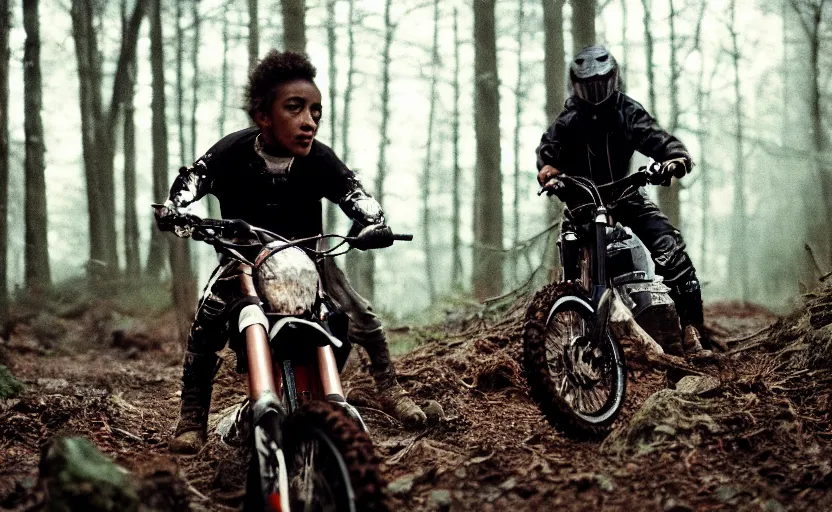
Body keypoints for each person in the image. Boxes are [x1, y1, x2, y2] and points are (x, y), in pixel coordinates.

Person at [156, 50, 427, 454]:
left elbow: (356, 194)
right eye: (295, 108)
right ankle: (192, 414)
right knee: (208, 319)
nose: (309, 122)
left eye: (316, 111)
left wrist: (374, 223)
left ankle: (388, 387)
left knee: (359, 314)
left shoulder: (319, 158)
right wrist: (176, 210)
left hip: (309, 256)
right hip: (243, 256)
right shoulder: (231, 151)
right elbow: (191, 181)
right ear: (264, 115)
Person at [536, 45, 710, 349]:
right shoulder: (567, 121)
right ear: (574, 86)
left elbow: (658, 139)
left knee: (670, 248)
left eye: (600, 83)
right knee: (569, 268)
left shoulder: (628, 112)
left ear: (614, 80)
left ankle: (692, 331)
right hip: (582, 205)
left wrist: (675, 157)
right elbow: (548, 154)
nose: (594, 92)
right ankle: (571, 326)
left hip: (626, 195)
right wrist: (549, 172)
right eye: (586, 86)